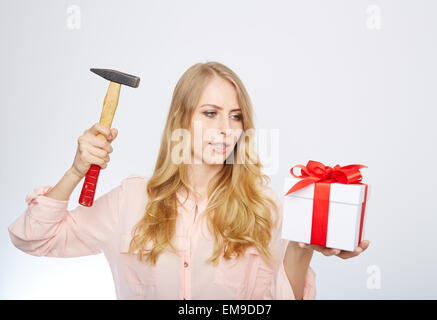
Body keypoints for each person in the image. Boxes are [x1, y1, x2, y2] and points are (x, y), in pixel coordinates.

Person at [8, 61, 369, 300]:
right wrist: (75, 171)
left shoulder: (267, 208)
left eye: (236, 117)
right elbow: (33, 238)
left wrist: (302, 248)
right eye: (210, 113)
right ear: (181, 120)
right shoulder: (129, 201)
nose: (226, 130)